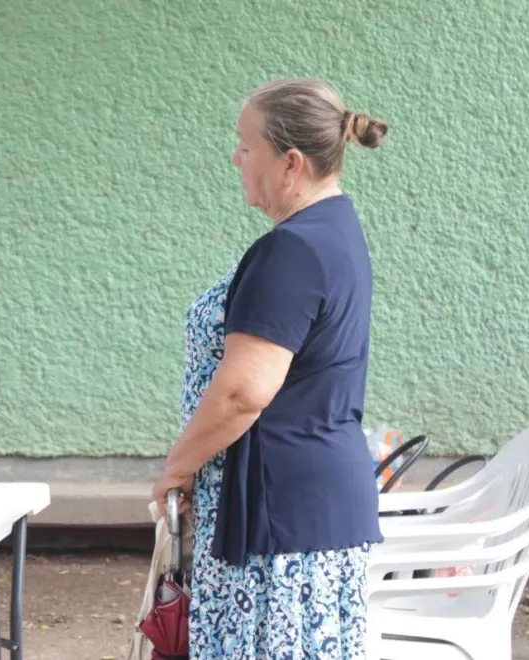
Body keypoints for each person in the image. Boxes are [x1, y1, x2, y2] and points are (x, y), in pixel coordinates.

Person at [151, 77, 389, 659]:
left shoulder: (292, 250)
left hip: (276, 524)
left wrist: (176, 469)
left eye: (245, 145)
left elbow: (242, 393)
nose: (235, 157)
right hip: (307, 510)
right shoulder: (334, 230)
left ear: (290, 163)